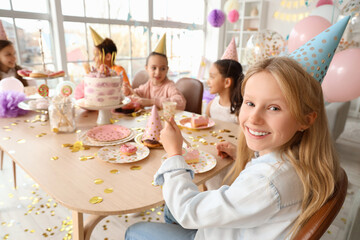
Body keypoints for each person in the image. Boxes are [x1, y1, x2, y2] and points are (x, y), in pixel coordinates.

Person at [124, 57, 340, 240]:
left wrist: (174, 153)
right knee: (170, 206)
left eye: (274, 108)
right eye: (250, 103)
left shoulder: (267, 184)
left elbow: (187, 212)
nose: (254, 118)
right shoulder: (297, 159)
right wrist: (241, 155)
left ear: (306, 120)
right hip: (235, 226)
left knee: (135, 231)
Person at [122, 34, 186, 110]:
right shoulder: (148, 85)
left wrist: (153, 101)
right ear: (147, 68)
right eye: (154, 68)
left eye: (162, 69)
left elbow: (181, 102)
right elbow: (137, 96)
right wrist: (129, 92)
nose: (158, 72)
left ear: (167, 69)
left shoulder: (169, 86)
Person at [74, 27, 130, 99]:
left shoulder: (118, 70)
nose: (94, 59)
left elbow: (127, 92)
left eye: (97, 55)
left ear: (108, 57)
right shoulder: (97, 73)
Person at [205, 59, 243, 123]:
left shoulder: (240, 112)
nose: (207, 81)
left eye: (212, 77)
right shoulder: (211, 105)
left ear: (227, 82)